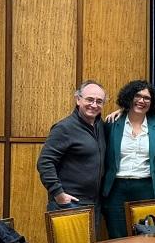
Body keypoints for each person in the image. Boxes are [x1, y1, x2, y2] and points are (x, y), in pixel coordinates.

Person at [37, 80, 107, 233]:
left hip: (93, 204)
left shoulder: (100, 126)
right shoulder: (64, 128)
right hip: (70, 204)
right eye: (89, 99)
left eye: (99, 101)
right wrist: (59, 194)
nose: (94, 105)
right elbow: (45, 162)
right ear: (78, 99)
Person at [102, 80, 155, 238]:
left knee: (146, 237)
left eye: (147, 98)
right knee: (117, 236)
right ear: (129, 97)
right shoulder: (112, 122)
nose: (142, 101)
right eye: (137, 96)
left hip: (146, 186)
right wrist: (121, 111)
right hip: (116, 188)